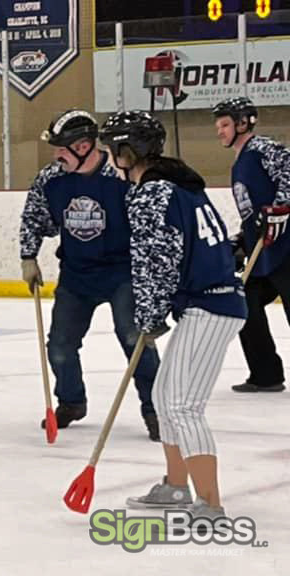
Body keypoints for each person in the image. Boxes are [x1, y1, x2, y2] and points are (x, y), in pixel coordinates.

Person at [99, 110, 247, 519]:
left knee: (182, 406)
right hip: (209, 302)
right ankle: (177, 487)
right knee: (166, 399)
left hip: (210, 304)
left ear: (129, 151)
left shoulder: (152, 193)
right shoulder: (180, 184)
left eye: (113, 149)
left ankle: (210, 504)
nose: (110, 157)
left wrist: (147, 315)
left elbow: (157, 260)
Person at [19, 110, 160, 441]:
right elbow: (34, 216)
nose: (56, 156)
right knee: (60, 346)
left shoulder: (122, 177)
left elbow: (149, 224)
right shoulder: (51, 179)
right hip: (76, 276)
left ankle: (156, 409)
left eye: (62, 148)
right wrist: (28, 255)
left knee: (134, 339)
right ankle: (71, 401)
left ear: (83, 146)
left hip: (122, 273)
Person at [212, 97, 290, 393]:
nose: (219, 131)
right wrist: (242, 240)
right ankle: (266, 374)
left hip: (287, 248)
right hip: (265, 253)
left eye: (225, 124)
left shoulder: (262, 149)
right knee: (246, 304)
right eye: (218, 125)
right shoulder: (240, 161)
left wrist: (282, 206)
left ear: (243, 123)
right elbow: (253, 213)